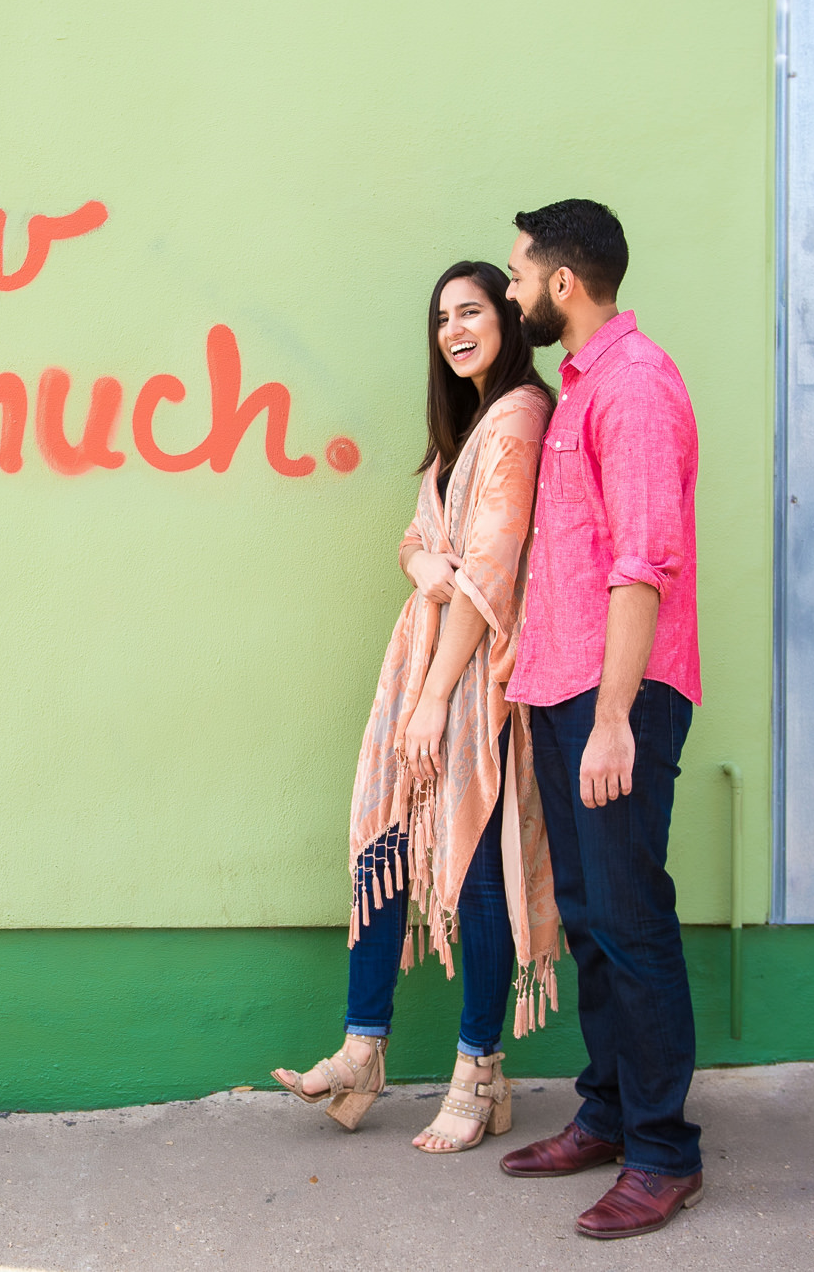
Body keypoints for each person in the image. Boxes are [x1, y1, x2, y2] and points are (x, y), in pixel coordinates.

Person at [272, 260, 565, 1154]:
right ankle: (364, 1048)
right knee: (391, 842)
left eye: (472, 310)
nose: (455, 329)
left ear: (508, 320)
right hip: (425, 668)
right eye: (442, 317)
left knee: (474, 862)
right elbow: (421, 541)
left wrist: (436, 698)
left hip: (471, 677)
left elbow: (492, 569)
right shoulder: (464, 428)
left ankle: (479, 1066)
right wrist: (420, 567)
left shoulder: (518, 417)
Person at [494, 200, 705, 1240]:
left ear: (562, 282)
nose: (509, 289)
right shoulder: (579, 390)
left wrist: (615, 716)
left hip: (614, 697)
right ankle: (609, 1111)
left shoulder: (633, 386)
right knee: (590, 918)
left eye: (517, 273)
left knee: (631, 920)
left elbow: (643, 563)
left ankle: (665, 1152)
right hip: (563, 689)